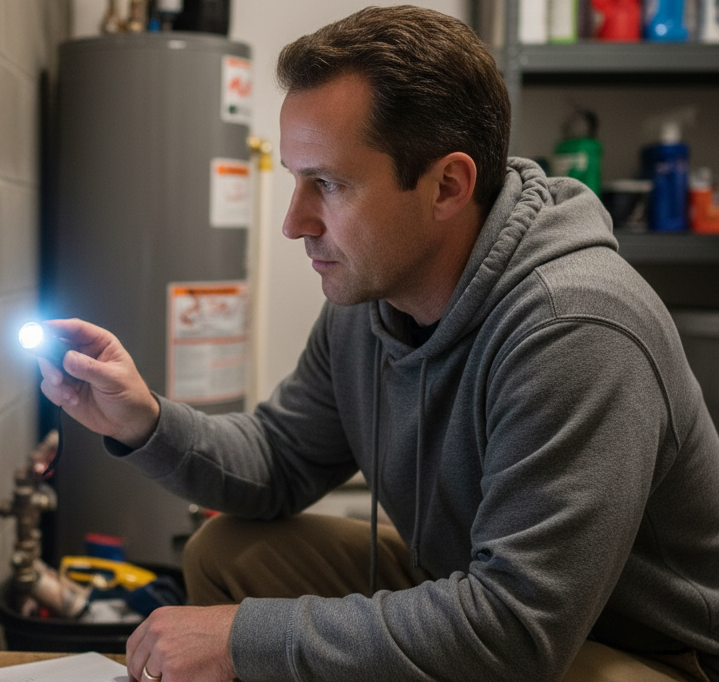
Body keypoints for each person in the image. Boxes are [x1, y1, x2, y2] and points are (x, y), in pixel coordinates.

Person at [35, 6, 719, 682]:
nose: (295, 222)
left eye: (326, 184)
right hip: (493, 596)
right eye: (295, 179)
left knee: (265, 630)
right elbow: (279, 461)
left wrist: (244, 640)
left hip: (643, 652)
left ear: (447, 185)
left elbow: (515, 631)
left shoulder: (574, 327)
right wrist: (144, 420)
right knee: (230, 550)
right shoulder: (371, 301)